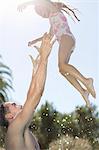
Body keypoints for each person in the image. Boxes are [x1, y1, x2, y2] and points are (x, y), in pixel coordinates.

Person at [17, 0, 96, 108]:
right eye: (41, 15)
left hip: (66, 38)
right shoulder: (52, 19)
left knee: (62, 65)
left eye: (42, 11)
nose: (43, 15)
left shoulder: (55, 10)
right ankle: (83, 91)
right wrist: (34, 41)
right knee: (62, 70)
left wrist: (26, 4)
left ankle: (87, 81)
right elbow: (49, 36)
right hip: (67, 41)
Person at [0, 33, 55, 150]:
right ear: (9, 116)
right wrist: (44, 58)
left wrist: (35, 73)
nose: (18, 103)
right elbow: (35, 95)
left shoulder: (23, 129)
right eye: (13, 105)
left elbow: (32, 96)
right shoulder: (14, 129)